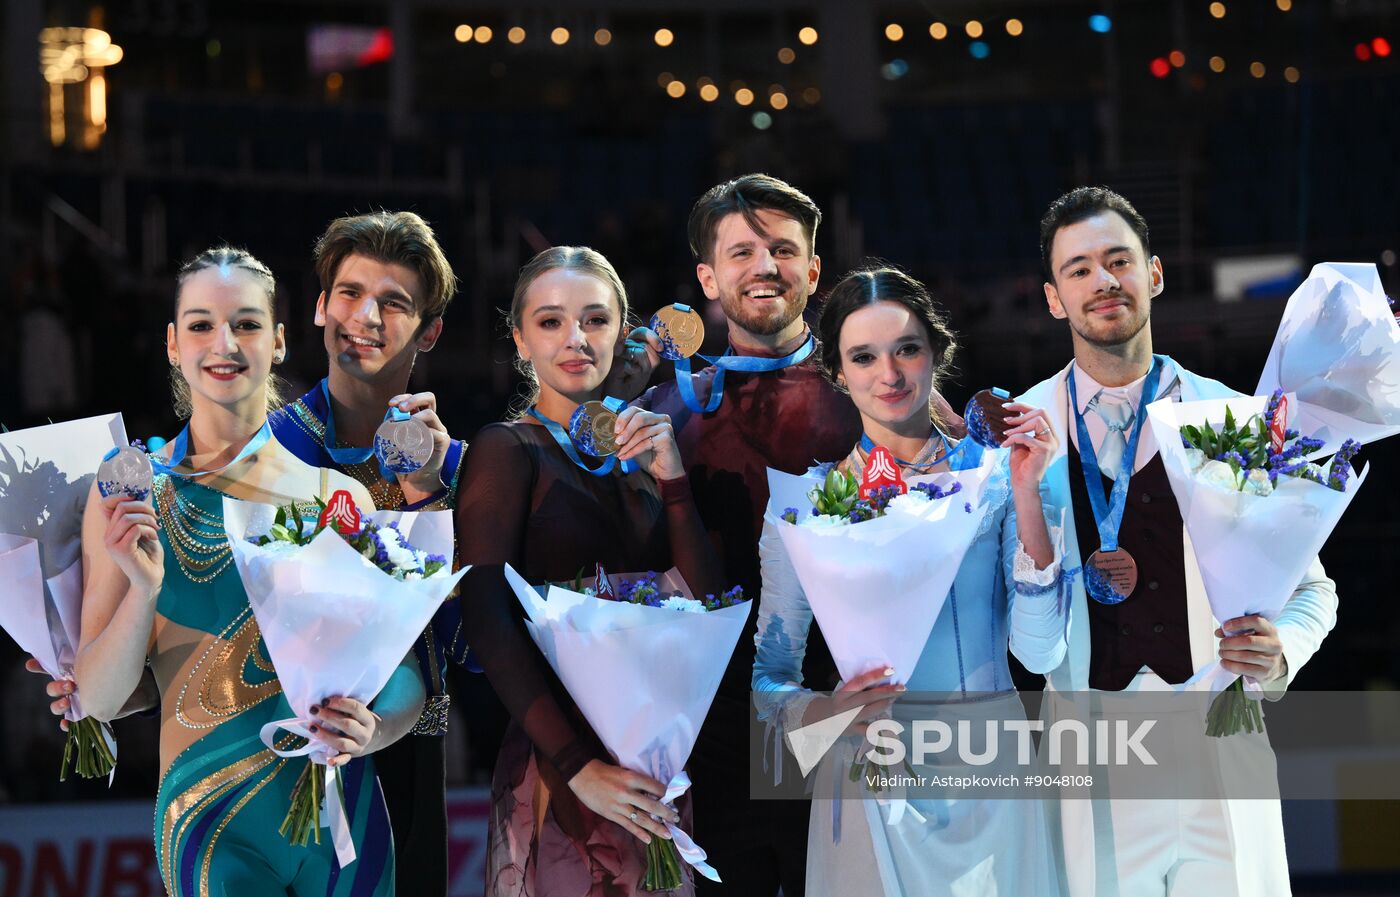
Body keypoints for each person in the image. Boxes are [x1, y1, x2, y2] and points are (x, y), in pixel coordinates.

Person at [631, 174, 964, 896]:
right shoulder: (665, 411)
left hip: (860, 723)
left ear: (814, 270)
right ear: (707, 277)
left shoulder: (882, 391)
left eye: (783, 249)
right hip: (720, 744)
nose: (764, 266)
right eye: (742, 250)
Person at [72, 247, 422, 896]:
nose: (224, 342)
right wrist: (142, 588)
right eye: (201, 324)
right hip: (213, 824)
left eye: (247, 324)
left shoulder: (339, 497)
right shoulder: (133, 489)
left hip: (348, 828)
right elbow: (95, 697)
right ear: (173, 344)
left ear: (281, 340)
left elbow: (405, 676)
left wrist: (377, 729)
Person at [1021, 186, 1337, 896]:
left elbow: (1315, 588)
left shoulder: (1234, 417)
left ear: (1154, 274)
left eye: (1118, 261)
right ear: (1053, 297)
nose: (1103, 281)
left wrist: (1282, 646)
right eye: (1079, 270)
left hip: (1217, 741)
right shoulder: (1024, 428)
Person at [753, 265, 1066, 896]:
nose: (889, 375)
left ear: (937, 354)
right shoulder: (806, 504)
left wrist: (1030, 493)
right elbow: (767, 680)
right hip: (869, 770)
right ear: (838, 373)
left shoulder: (1005, 476)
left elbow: (1040, 652)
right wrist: (828, 712)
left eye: (907, 350)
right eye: (863, 357)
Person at [454, 246, 723, 896]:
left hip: (656, 766)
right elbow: (487, 617)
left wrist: (676, 483)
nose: (575, 338)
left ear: (622, 329)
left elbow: (710, 607)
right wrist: (577, 767)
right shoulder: (507, 448)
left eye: (595, 319)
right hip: (562, 768)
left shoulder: (652, 450)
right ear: (520, 339)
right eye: (550, 322)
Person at [267, 211, 470, 896]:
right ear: (321, 307)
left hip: (407, 758)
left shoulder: (463, 470)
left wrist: (427, 499)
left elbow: (467, 644)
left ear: (430, 330)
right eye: (350, 293)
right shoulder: (270, 449)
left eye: (395, 302)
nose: (366, 316)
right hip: (272, 740)